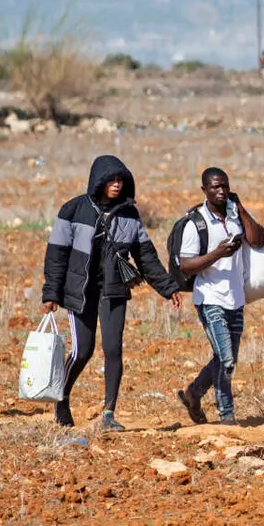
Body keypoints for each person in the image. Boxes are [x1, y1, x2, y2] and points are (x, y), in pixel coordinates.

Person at [42, 156, 181, 431]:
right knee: (83, 351)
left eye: (121, 181)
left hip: (113, 289)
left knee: (113, 349)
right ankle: (61, 397)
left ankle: (108, 413)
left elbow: (146, 257)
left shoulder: (130, 214)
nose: (117, 185)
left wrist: (168, 288)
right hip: (79, 290)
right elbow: (56, 255)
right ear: (99, 181)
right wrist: (51, 292)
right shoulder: (72, 210)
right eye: (111, 180)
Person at [175, 168, 264, 426]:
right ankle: (227, 416)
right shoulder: (197, 222)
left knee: (225, 358)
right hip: (209, 298)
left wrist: (241, 208)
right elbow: (186, 265)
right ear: (204, 190)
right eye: (215, 187)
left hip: (236, 298)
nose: (221, 191)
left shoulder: (235, 215)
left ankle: (193, 393)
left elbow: (258, 239)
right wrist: (218, 253)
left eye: (225, 186)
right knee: (226, 359)